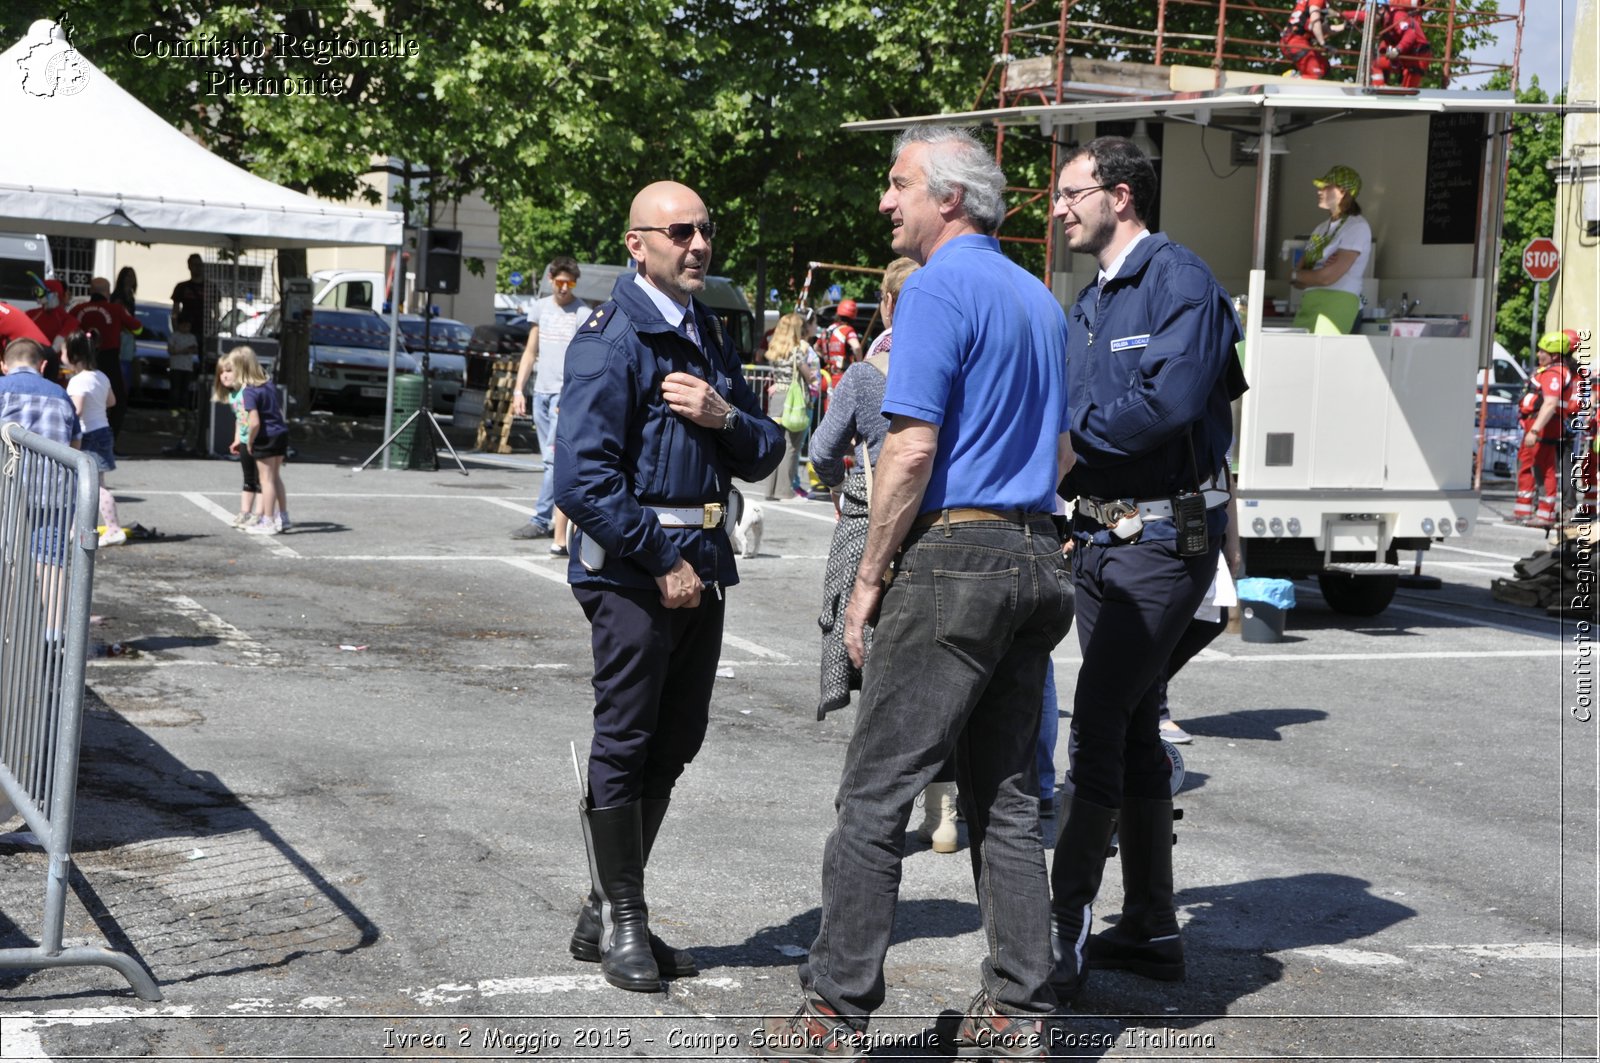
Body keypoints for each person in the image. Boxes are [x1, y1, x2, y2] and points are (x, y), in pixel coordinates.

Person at [764, 125, 1074, 1058]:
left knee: (874, 796)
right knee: (1008, 800)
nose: (885, 202)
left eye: (898, 185)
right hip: (1035, 555)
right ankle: (1021, 1012)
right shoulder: (1039, 299)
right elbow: (1063, 450)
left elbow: (909, 445)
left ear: (949, 197)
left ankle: (834, 1012)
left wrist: (866, 582)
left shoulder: (940, 286)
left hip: (956, 559)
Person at [552, 181, 783, 994]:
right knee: (625, 739)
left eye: (705, 229)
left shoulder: (706, 330)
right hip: (633, 571)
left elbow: (766, 448)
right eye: (679, 231)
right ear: (636, 243)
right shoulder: (612, 340)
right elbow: (580, 480)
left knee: (676, 738)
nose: (697, 244)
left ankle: (605, 905)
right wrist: (661, 560)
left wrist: (725, 415)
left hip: (703, 563)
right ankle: (624, 918)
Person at [1048, 136, 1245, 1007]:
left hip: (1165, 545)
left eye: (1071, 193)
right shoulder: (1090, 297)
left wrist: (1070, 451)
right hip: (1100, 543)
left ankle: (1059, 930)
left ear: (1119, 195)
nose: (1059, 207)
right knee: (1128, 728)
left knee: (1096, 721)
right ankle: (1155, 926)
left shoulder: (1181, 282)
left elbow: (1171, 403)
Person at [509, 257, 584, 553]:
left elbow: (581, 360)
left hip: (563, 396)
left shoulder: (582, 313)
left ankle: (542, 519)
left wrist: (570, 396)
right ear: (551, 280)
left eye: (570, 283)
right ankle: (554, 520)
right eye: (559, 282)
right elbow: (530, 352)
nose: (564, 289)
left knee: (555, 462)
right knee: (547, 461)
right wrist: (518, 390)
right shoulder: (540, 308)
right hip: (541, 392)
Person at [62, 332, 127, 547]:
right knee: (89, 484)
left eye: (63, 352)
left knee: (92, 487)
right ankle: (74, 528)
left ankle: (114, 528)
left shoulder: (77, 382)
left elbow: (77, 410)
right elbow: (111, 401)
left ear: (73, 355)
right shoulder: (101, 376)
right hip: (103, 431)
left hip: (87, 436)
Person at [1290, 165, 1371, 335]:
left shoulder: (1357, 227)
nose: (1319, 190)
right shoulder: (1320, 228)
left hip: (1338, 304)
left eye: (1326, 186)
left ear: (1343, 191)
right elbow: (1297, 278)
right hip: (1310, 302)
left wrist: (1306, 274)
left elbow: (1327, 278)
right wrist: (1309, 274)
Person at [1513, 330, 1579, 529]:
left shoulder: (1555, 373)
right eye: (1540, 351)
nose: (1539, 355)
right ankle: (1523, 511)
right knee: (1530, 465)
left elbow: (1550, 403)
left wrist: (1535, 431)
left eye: (1544, 352)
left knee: (1545, 468)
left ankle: (1546, 514)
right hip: (1536, 424)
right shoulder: (1550, 370)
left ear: (1556, 355)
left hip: (1545, 426)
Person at [752, 311, 819, 501]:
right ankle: (785, 490)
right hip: (794, 401)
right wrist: (814, 376)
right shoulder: (798, 351)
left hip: (777, 399)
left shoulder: (775, 350)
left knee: (776, 445)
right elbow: (809, 376)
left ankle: (770, 491)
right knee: (791, 446)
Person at [226, 347, 291, 535]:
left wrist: (249, 442)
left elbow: (254, 422)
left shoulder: (249, 392)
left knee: (266, 480)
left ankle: (268, 520)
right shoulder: (268, 384)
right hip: (280, 432)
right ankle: (283, 517)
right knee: (275, 477)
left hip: (265, 436)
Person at [69, 277, 142, 437]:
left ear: (90, 291)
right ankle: (111, 440)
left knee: (78, 399)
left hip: (81, 361)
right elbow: (138, 329)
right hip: (109, 360)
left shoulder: (77, 309)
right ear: (107, 292)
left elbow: (67, 331)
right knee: (118, 402)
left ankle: (75, 437)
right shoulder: (116, 309)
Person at [213, 350, 264, 528]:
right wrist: (237, 439)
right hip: (244, 441)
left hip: (257, 441)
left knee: (260, 481)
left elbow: (255, 419)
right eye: (221, 372)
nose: (224, 375)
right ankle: (245, 512)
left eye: (228, 371)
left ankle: (259, 514)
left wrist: (251, 439)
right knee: (248, 478)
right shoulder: (233, 395)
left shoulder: (247, 391)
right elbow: (239, 420)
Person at [1281, 0, 1333, 79]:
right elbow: (1315, 21)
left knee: (1324, 66)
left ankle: (1296, 78)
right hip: (1296, 41)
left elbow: (1324, 29)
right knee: (1315, 73)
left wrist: (1344, 26)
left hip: (1297, 41)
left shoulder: (1314, 4)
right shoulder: (1317, 1)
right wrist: (1323, 43)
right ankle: (1290, 81)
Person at [819, 298, 862, 375]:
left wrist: (826, 358)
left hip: (827, 376)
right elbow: (857, 347)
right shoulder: (848, 330)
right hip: (842, 377)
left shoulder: (827, 331)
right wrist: (860, 365)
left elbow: (816, 347)